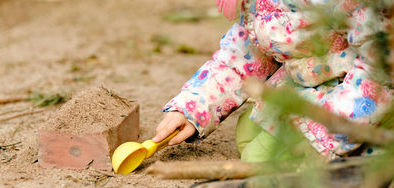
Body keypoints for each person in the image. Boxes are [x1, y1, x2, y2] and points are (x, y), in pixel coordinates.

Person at [153, 0, 393, 162]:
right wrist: (192, 107)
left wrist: (327, 138)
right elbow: (242, 57)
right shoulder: (262, 5)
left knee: (258, 157)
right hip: (312, 82)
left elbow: (381, 72)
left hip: (360, 100)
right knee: (249, 133)